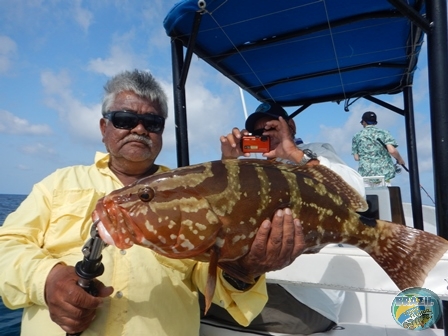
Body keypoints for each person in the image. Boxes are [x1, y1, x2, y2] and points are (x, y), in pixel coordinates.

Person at [0, 70, 306, 336]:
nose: (139, 129)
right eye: (124, 119)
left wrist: (247, 269)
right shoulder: (58, 183)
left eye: (152, 122)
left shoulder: (197, 190)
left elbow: (212, 275)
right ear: (103, 127)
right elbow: (8, 244)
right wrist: (47, 279)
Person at [212, 101, 366, 335]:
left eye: (271, 128)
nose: (264, 135)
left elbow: (356, 195)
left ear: (290, 126)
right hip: (269, 285)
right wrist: (228, 163)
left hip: (306, 299)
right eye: (257, 133)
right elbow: (222, 210)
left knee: (192, 301)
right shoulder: (259, 170)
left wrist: (294, 154)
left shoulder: (316, 152)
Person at [352, 111, 406, 186]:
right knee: (385, 196)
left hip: (366, 174)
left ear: (364, 122)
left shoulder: (356, 136)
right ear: (375, 122)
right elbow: (392, 151)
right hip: (384, 174)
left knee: (368, 197)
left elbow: (356, 158)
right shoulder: (384, 133)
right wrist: (400, 160)